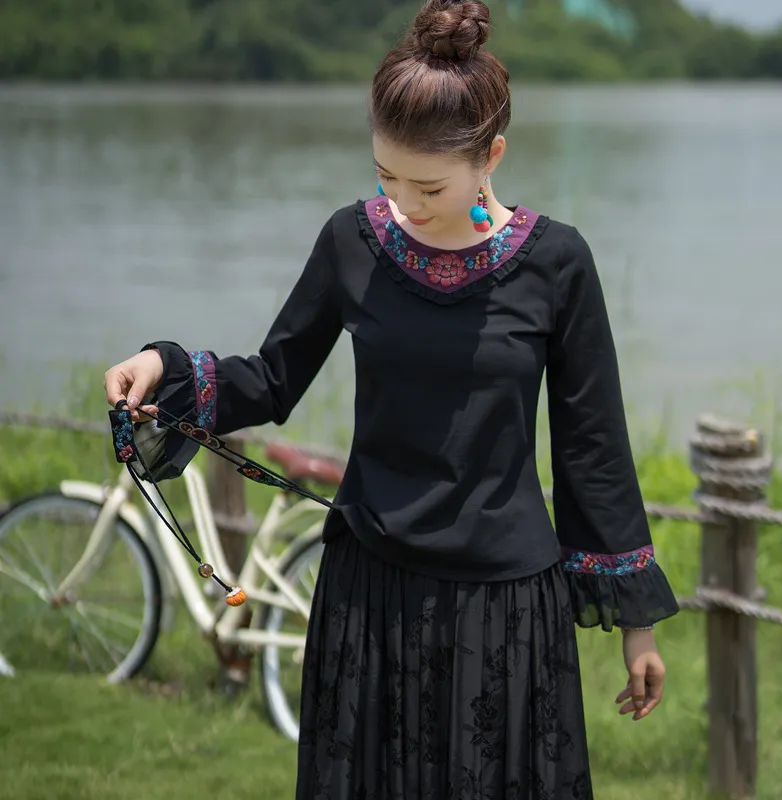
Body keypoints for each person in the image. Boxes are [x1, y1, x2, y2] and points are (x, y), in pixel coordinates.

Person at [104, 1, 679, 797]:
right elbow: (270, 378)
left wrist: (636, 627)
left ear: (492, 156)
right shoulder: (353, 241)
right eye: (385, 175)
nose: (403, 202)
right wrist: (161, 368)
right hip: (370, 596)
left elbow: (593, 447)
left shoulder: (557, 264)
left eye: (428, 184)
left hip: (505, 608)